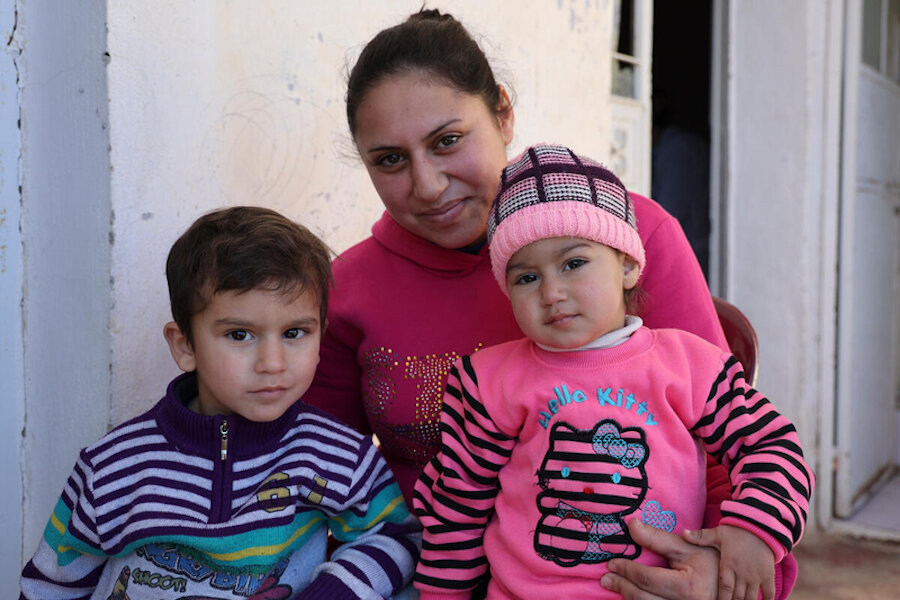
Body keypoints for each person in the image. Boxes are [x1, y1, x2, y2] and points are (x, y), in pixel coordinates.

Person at [303, 8, 799, 599]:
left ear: (503, 114)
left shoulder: (628, 233)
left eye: (448, 141)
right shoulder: (347, 288)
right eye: (389, 160)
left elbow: (725, 450)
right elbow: (321, 472)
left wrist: (723, 574)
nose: (428, 184)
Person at [412, 143, 814, 600]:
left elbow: (771, 445)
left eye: (574, 263)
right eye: (527, 277)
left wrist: (756, 531)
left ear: (626, 264)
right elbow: (456, 512)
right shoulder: (489, 382)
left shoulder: (691, 365)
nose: (552, 293)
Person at [20, 206, 420, 599]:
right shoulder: (114, 467)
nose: (272, 364)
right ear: (185, 345)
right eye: (240, 335)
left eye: (295, 332)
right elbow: (49, 585)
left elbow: (394, 536)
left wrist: (335, 592)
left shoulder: (336, 454)